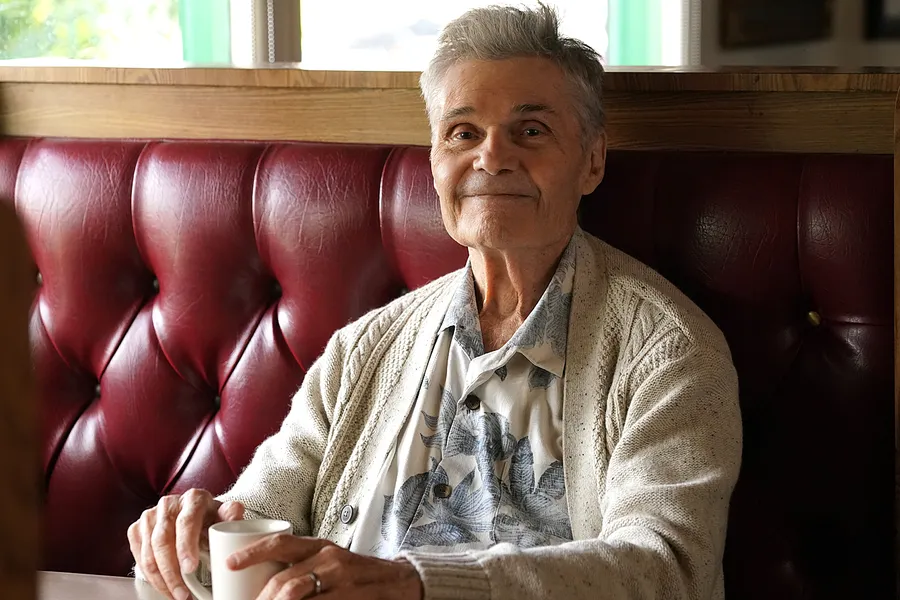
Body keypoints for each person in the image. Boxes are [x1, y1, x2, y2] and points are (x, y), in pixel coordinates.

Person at [128, 4, 742, 600]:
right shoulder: (363, 350)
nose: (491, 157)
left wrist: (414, 585)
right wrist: (195, 539)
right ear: (435, 160)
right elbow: (258, 516)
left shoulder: (668, 353)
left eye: (531, 131)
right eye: (463, 133)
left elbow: (666, 569)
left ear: (592, 161)